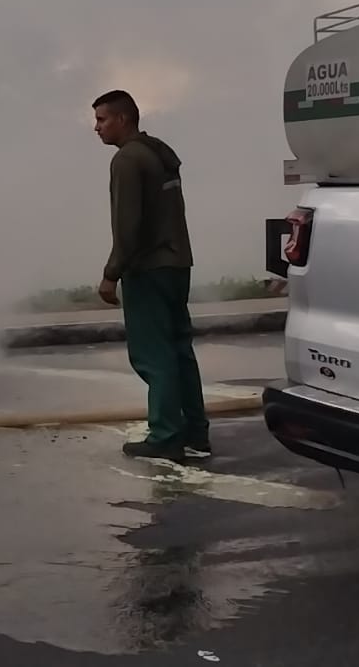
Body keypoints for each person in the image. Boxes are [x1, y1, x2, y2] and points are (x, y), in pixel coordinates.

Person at [92, 90, 209, 463]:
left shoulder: (128, 160)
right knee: (179, 351)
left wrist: (112, 274)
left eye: (102, 119)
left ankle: (165, 435)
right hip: (177, 264)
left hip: (148, 269)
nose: (96, 128)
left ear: (123, 119)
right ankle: (195, 434)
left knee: (154, 356)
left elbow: (128, 225)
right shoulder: (159, 154)